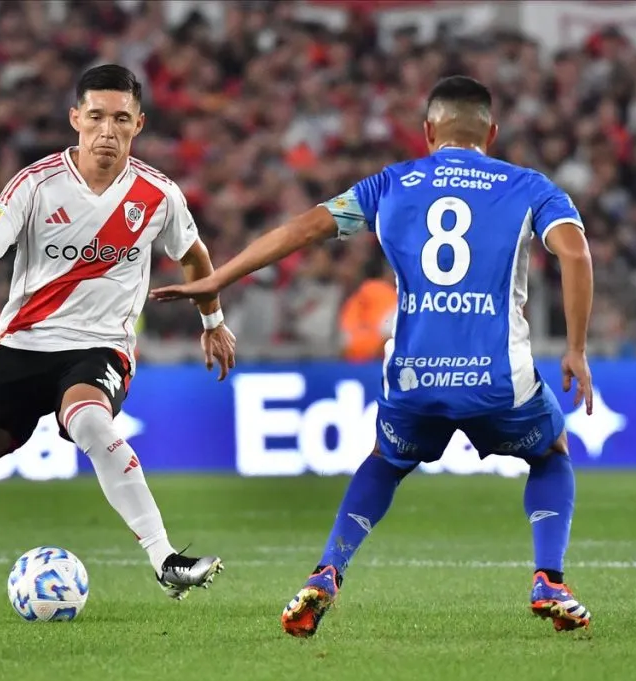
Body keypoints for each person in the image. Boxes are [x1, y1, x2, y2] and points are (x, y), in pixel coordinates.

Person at [152, 76, 594, 637]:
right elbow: (575, 252)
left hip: (414, 376)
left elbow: (302, 230)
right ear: (493, 132)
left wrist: (217, 278)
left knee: (387, 460)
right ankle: (548, 579)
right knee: (551, 453)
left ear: (428, 131)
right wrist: (576, 348)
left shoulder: (392, 183)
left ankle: (326, 572)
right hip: (497, 377)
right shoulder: (530, 186)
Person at [0, 64, 236, 621]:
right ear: (76, 118)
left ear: (139, 124)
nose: (108, 130)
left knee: (90, 420)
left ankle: (166, 560)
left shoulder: (158, 195)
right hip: (23, 343)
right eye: (98, 117)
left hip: (99, 346)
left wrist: (213, 321)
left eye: (121, 119)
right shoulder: (35, 185)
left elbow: (197, 257)